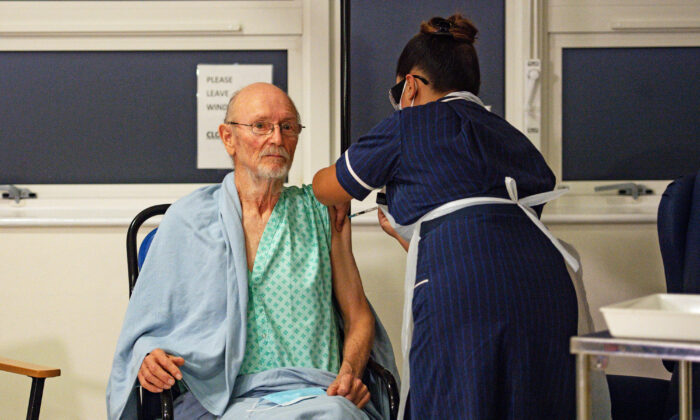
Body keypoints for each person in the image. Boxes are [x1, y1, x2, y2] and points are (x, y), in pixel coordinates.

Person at [312, 14, 579, 420]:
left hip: (465, 293)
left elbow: (329, 188)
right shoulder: (511, 136)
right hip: (547, 287)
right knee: (531, 400)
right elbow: (493, 231)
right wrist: (411, 237)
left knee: (455, 400)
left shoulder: (409, 124)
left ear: (411, 86)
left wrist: (320, 180)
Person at [107, 83, 397, 419]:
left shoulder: (321, 211)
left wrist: (349, 371)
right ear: (228, 137)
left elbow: (358, 316)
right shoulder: (187, 220)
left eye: (287, 126)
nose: (276, 138)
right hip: (217, 399)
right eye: (261, 126)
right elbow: (143, 329)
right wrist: (147, 356)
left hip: (314, 395)